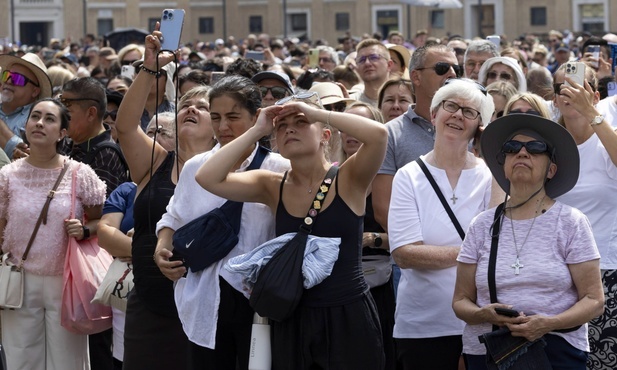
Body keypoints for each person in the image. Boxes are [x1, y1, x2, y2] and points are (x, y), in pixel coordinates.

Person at [195, 90, 388, 369]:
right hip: (292, 317)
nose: (290, 129)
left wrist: (317, 113)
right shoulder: (271, 185)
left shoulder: (348, 178)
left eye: (300, 122)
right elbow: (207, 177)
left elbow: (379, 134)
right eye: (282, 126)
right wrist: (258, 129)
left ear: (325, 136)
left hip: (348, 314)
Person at [153, 75, 289, 370]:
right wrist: (161, 250)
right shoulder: (196, 167)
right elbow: (173, 216)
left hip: (258, 298)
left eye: (233, 117)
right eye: (215, 117)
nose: (223, 127)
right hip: (204, 294)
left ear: (256, 117)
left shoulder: (279, 167)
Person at [453, 113, 604, 370]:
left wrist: (548, 323)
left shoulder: (571, 222)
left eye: (535, 148)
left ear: (552, 170)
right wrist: (482, 314)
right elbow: (460, 301)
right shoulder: (481, 224)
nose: (522, 153)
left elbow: (594, 301)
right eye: (512, 148)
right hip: (490, 352)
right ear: (504, 165)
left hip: (555, 352)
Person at [115, 27, 216, 370]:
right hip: (149, 305)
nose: (191, 109)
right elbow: (126, 127)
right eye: (186, 104)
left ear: (218, 125)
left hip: (206, 307)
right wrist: (149, 68)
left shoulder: (231, 170)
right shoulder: (157, 161)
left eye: (204, 108)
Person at [388, 79, 497, 370]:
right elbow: (405, 254)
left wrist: (493, 157)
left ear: (479, 127)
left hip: (480, 323)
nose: (459, 115)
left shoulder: (490, 177)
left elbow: (497, 245)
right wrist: (471, 253)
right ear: (434, 115)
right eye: (451, 106)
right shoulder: (408, 176)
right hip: (423, 325)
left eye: (470, 112)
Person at [0, 98, 106, 370]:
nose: (39, 123)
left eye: (49, 119)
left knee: (68, 361)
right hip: (19, 278)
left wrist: (83, 230)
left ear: (62, 132)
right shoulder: (7, 175)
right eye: (35, 116)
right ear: (25, 125)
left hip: (67, 280)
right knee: (21, 358)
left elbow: (101, 220)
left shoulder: (80, 173)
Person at [551, 64, 617, 370]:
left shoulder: (607, 139)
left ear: (594, 94)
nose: (569, 92)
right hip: (556, 276)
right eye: (561, 87)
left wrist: (592, 114)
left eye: (576, 85)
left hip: (607, 271)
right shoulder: (546, 145)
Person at [373, 43, 459, 230]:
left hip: (466, 252)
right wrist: (422, 248)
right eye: (442, 68)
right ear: (416, 77)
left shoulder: (469, 129)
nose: (452, 74)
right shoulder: (389, 134)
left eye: (456, 69)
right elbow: (383, 208)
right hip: (413, 251)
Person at [342, 101, 396, 369]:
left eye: (360, 125)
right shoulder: (326, 178)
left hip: (380, 286)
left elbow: (406, 238)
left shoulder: (392, 182)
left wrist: (369, 239)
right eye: (345, 125)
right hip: (336, 287)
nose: (352, 132)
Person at [0, 53, 52, 159]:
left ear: (35, 91)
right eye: (6, 75)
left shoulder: (38, 118)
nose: (8, 81)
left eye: (18, 79)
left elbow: (25, 154)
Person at [350, 38, 393, 107]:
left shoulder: (402, 101)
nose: (367, 63)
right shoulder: (351, 102)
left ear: (389, 65)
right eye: (361, 60)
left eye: (373, 57)